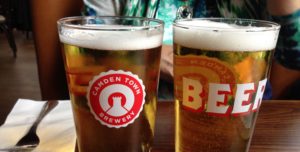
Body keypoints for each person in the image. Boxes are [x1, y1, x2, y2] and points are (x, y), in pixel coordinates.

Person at [82, 0, 300, 100]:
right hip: (143, 117)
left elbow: (293, 57)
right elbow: (88, 54)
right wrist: (159, 57)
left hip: (241, 117)